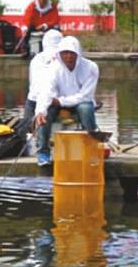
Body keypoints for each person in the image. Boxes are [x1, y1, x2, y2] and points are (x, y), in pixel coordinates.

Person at [35, 36, 99, 168]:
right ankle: (43, 152)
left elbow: (85, 96)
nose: (69, 56)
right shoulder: (52, 68)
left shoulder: (91, 67)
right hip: (57, 102)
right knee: (44, 114)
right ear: (60, 54)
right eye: (65, 53)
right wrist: (40, 111)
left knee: (86, 108)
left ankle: (91, 149)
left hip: (79, 102)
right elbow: (46, 91)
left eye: (72, 53)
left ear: (78, 54)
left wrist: (61, 102)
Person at [26, 28, 64, 123]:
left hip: (33, 100)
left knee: (27, 126)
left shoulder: (36, 59)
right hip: (53, 102)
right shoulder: (64, 58)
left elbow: (33, 82)